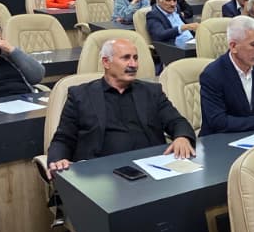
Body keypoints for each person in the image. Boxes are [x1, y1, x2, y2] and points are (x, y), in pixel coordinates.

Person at [44, 39, 195, 178]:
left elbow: (177, 121)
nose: (133, 64)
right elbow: (63, 139)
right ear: (106, 62)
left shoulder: (152, 92)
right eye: (126, 58)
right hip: (100, 176)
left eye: (135, 58)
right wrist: (58, 159)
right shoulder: (80, 95)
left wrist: (182, 137)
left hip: (150, 170)